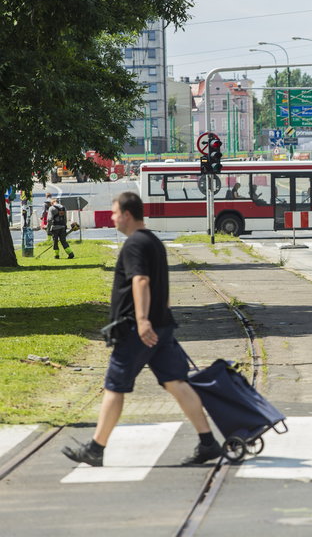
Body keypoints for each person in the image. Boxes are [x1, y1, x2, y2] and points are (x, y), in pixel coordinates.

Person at [62, 192, 221, 467]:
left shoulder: (135, 244)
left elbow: (142, 282)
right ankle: (208, 442)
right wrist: (159, 318)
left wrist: (143, 320)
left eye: (114, 213)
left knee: (114, 386)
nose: (112, 218)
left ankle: (96, 448)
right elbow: (164, 288)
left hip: (139, 331)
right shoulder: (154, 242)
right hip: (162, 326)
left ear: (126, 214)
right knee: (176, 383)